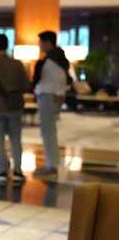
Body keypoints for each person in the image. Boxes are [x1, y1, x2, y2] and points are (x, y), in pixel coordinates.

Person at [0, 34, 30, 184]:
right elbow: (25, 86)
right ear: (7, 45)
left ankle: (2, 171)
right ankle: (18, 171)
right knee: (16, 139)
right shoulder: (17, 64)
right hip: (15, 106)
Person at [32, 31, 71, 176]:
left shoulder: (52, 60)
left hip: (48, 97)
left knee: (48, 132)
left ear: (48, 42)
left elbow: (57, 82)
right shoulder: (58, 58)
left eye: (41, 42)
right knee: (50, 131)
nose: (39, 45)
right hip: (52, 97)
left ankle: (52, 165)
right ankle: (52, 163)